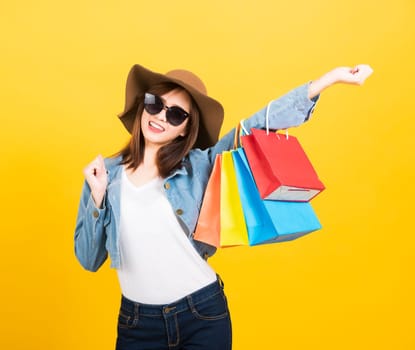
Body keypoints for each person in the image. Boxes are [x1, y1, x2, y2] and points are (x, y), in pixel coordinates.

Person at [74, 63, 373, 350]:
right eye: (155, 104)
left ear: (184, 130)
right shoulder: (104, 175)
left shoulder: (200, 166)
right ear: (143, 106)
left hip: (201, 314)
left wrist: (328, 80)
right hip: (137, 325)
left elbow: (256, 124)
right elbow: (89, 259)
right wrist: (97, 199)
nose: (161, 116)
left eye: (176, 114)